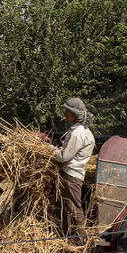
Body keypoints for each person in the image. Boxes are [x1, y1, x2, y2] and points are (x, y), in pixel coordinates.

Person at [51, 97, 96, 242]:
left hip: (71, 175)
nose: (65, 113)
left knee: (74, 207)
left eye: (68, 111)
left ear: (74, 114)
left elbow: (64, 156)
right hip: (74, 175)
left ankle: (82, 239)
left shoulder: (77, 133)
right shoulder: (85, 131)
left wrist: (49, 150)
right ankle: (69, 237)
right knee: (67, 206)